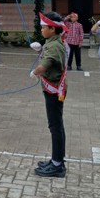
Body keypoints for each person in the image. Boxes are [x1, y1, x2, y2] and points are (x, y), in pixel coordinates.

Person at [32, 12, 68, 178]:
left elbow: (45, 65)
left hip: (54, 90)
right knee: (56, 125)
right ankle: (56, 159)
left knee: (55, 126)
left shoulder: (54, 45)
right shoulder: (52, 42)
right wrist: (40, 50)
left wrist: (34, 72)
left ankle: (57, 164)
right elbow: (49, 57)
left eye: (44, 27)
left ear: (52, 29)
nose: (42, 30)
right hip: (52, 89)